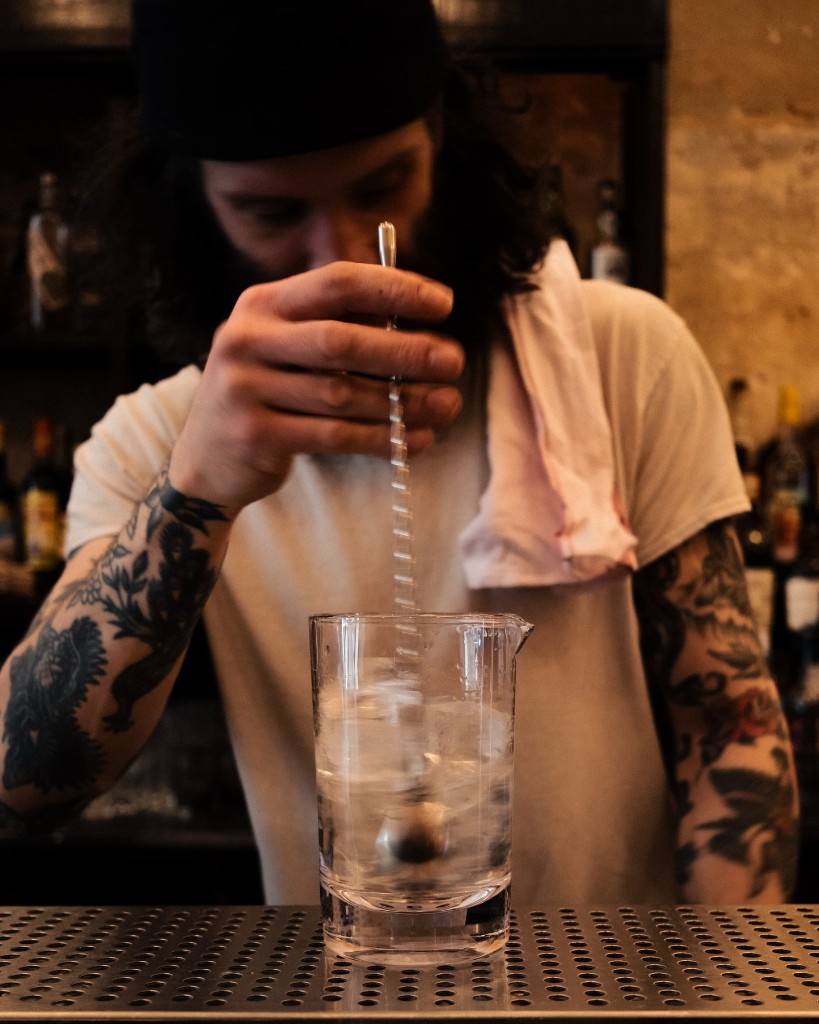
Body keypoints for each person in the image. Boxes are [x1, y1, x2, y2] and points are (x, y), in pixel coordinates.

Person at [0, 0, 798, 906]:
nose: (343, 260)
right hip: (339, 983)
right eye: (268, 212)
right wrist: (196, 496)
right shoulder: (156, 442)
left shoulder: (624, 355)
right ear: (188, 205)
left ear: (447, 150)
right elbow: (29, 780)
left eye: (381, 189)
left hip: (611, 985)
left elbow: (729, 731)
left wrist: (716, 993)